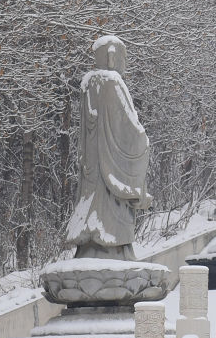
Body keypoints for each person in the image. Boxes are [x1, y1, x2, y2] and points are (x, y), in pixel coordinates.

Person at [65, 35, 151, 261]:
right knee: (109, 212)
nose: (124, 64)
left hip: (91, 169)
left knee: (92, 204)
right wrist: (143, 142)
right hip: (108, 172)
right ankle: (111, 246)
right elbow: (130, 130)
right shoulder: (113, 82)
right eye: (123, 58)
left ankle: (89, 245)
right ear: (112, 57)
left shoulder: (88, 84)